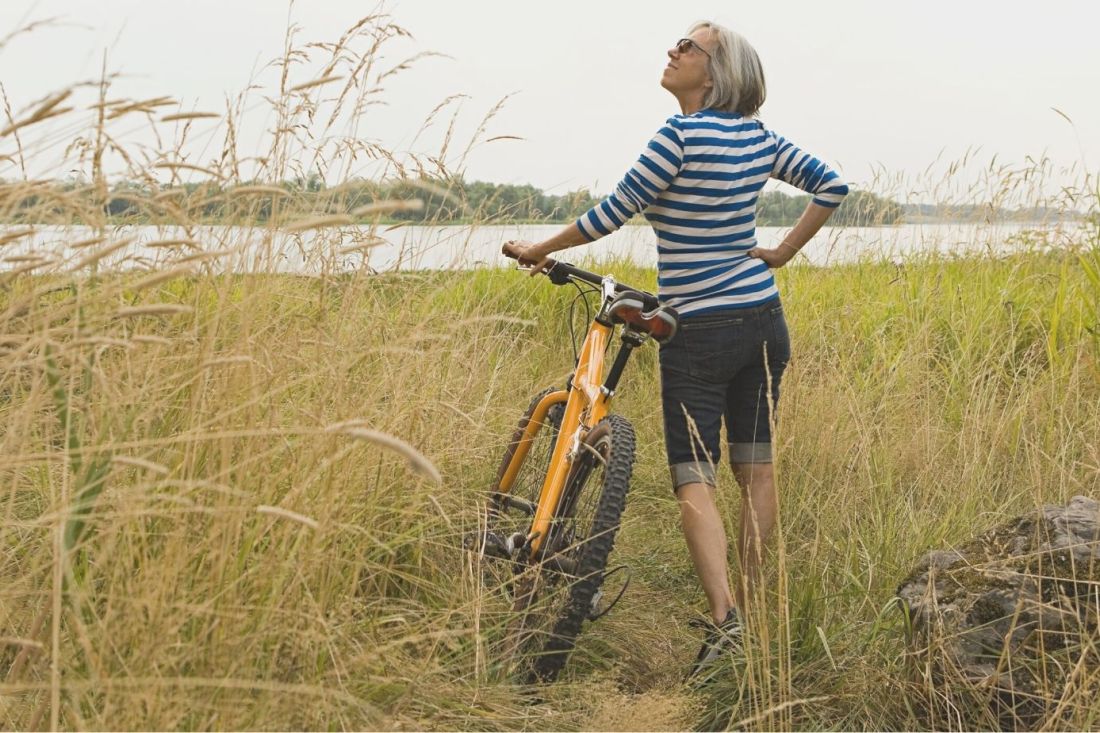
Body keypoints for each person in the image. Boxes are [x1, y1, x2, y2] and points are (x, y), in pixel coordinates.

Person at [503, 20, 848, 678]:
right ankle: (746, 607)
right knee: (758, 470)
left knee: (695, 475)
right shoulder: (758, 137)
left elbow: (612, 212)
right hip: (764, 319)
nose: (673, 51)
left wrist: (537, 249)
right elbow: (832, 185)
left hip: (701, 329)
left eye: (689, 47)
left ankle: (724, 621)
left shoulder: (680, 135)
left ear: (715, 74)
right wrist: (779, 253)